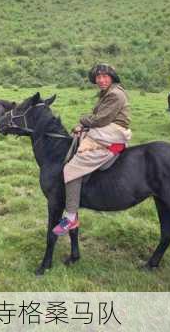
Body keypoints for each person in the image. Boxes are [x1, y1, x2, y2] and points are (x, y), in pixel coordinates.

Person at [53, 63, 132, 235]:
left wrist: (83, 120)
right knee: (79, 137)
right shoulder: (109, 92)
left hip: (111, 133)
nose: (101, 80)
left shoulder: (115, 94)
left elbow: (100, 120)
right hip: (107, 129)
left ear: (112, 78)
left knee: (71, 168)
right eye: (98, 77)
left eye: (105, 77)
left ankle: (71, 216)